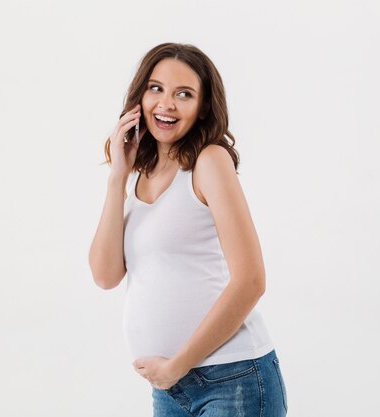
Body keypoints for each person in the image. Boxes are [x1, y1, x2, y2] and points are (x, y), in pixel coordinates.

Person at [88, 42, 288, 416]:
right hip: (169, 389)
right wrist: (116, 177)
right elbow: (105, 275)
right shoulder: (135, 177)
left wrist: (179, 364)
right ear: (139, 97)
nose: (166, 104)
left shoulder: (208, 162)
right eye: (156, 88)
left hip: (233, 378)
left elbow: (251, 281)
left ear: (202, 108)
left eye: (184, 94)